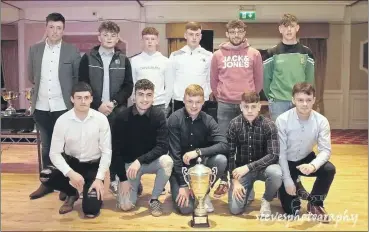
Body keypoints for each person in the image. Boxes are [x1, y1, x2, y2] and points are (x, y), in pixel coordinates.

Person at [39, 82, 111, 218]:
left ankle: (87, 190)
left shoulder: (101, 120)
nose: (83, 101)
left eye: (86, 97)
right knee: (45, 175)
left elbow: (107, 152)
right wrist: (70, 173)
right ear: (72, 99)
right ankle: (72, 193)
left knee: (91, 211)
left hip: (93, 167)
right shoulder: (62, 121)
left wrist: (99, 178)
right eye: (79, 98)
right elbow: (54, 153)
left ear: (91, 99)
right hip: (72, 164)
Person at [29, 12, 81, 200]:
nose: (55, 31)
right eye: (51, 27)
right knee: (46, 147)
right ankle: (47, 184)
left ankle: (66, 185)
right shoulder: (34, 50)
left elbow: (76, 79)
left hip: (63, 107)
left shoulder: (72, 51)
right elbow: (31, 76)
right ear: (46, 28)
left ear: (63, 30)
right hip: (41, 106)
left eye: (59, 28)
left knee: (66, 148)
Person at [79, 21, 133, 196]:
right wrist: (98, 105)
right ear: (99, 37)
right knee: (94, 147)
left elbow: (128, 86)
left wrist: (114, 103)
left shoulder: (124, 59)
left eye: (113, 35)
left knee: (117, 146)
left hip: (117, 111)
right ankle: (94, 180)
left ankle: (117, 179)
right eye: (106, 35)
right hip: (94, 111)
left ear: (117, 38)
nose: (109, 38)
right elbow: (82, 84)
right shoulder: (87, 58)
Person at [263, 13, 315, 199]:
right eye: (285, 27)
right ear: (280, 29)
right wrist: (273, 98)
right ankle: (281, 180)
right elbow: (266, 81)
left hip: (299, 104)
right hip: (278, 102)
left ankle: (295, 179)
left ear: (297, 28)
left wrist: (303, 100)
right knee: (280, 145)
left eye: (292, 26)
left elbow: (309, 81)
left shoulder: (306, 52)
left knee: (296, 143)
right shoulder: (272, 53)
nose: (288, 30)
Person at [210, 19, 263, 199]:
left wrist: (249, 100)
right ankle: (224, 180)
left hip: (246, 105)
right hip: (224, 104)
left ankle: (243, 179)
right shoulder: (218, 55)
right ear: (227, 34)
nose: (236, 35)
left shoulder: (254, 54)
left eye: (239, 32)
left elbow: (259, 80)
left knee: (245, 144)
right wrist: (221, 95)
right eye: (232, 32)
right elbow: (213, 80)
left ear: (244, 33)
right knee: (225, 144)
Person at [113, 79, 173, 216]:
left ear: (153, 97)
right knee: (126, 206)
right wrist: (122, 179)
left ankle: (154, 199)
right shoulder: (121, 117)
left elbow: (163, 147)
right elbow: (115, 151)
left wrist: (139, 161)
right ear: (134, 97)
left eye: (149, 95)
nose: (145, 99)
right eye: (141, 94)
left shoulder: (159, 116)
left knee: (167, 161)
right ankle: (135, 185)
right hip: (130, 167)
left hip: (149, 162)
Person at [276, 82, 335, 222]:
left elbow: (325, 150)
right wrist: (287, 180)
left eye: (308, 100)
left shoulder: (322, 121)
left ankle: (315, 203)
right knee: (292, 211)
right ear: (293, 100)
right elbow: (281, 154)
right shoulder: (282, 120)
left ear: (314, 99)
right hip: (286, 162)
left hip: (306, 158)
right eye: (300, 100)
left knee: (328, 169)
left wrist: (313, 166)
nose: (304, 104)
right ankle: (289, 185)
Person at [167, 84, 228, 215]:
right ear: (183, 100)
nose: (194, 106)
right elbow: (174, 156)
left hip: (201, 169)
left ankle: (203, 194)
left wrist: (198, 152)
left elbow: (224, 144)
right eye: (190, 101)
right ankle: (178, 188)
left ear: (203, 102)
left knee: (221, 160)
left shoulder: (208, 120)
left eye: (198, 102)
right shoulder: (174, 119)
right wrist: (183, 185)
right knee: (186, 209)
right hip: (180, 170)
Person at [227, 91, 281, 217]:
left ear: (259, 107)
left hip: (263, 169)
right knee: (235, 209)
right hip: (242, 172)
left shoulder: (269, 125)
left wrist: (248, 167)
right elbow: (230, 155)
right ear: (241, 107)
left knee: (276, 173)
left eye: (253, 107)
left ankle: (266, 199)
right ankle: (248, 189)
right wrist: (234, 181)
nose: (249, 110)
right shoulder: (234, 125)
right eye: (246, 107)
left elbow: (273, 155)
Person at [167, 22, 213, 115]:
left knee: (200, 129)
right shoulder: (175, 55)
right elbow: (170, 80)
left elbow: (210, 79)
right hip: (180, 100)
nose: (194, 37)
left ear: (201, 36)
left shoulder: (209, 56)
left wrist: (206, 94)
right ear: (185, 35)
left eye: (197, 35)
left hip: (201, 101)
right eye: (191, 34)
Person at [130, 27, 172, 115]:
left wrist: (166, 103)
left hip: (160, 104)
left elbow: (169, 85)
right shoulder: (134, 60)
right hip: (140, 104)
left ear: (157, 41)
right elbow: (133, 83)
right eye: (146, 39)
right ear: (142, 40)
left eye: (153, 39)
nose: (150, 42)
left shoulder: (165, 61)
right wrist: (134, 99)